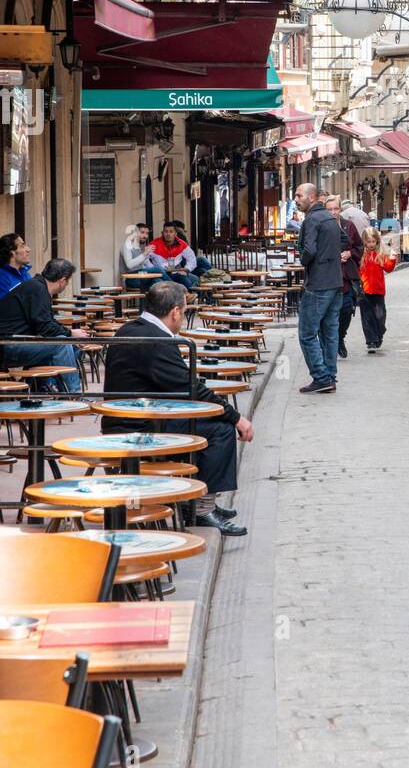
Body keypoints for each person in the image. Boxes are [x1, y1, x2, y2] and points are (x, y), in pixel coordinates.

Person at [102, 280, 252, 536]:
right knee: (220, 430)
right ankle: (201, 510)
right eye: (183, 311)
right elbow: (190, 388)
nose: (183, 317)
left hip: (132, 417)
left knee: (208, 424)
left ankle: (196, 499)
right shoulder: (157, 340)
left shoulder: (132, 328)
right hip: (139, 426)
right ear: (174, 311)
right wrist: (236, 418)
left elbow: (181, 385)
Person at [0, 258, 86, 391]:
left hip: (16, 342)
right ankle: (73, 394)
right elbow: (44, 327)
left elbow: (47, 323)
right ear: (62, 280)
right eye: (68, 281)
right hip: (9, 346)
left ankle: (41, 386)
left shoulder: (37, 287)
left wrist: (71, 335)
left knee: (72, 346)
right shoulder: (38, 289)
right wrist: (70, 333)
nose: (67, 284)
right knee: (62, 344)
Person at [295, 181, 342, 394]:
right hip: (335, 282)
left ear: (311, 197)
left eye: (299, 196)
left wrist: (304, 261)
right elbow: (345, 240)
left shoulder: (312, 219)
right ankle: (330, 376)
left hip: (318, 283)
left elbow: (309, 250)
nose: (296, 200)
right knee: (330, 331)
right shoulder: (330, 219)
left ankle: (321, 377)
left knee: (307, 333)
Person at [326, 196, 362, 360]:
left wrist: (350, 253)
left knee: (346, 310)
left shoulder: (349, 226)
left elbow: (359, 247)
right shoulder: (323, 227)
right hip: (328, 278)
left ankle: (340, 337)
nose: (333, 212)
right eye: (330, 209)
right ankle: (332, 343)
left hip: (346, 277)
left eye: (336, 209)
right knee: (331, 313)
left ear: (340, 209)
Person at [358, 228, 396, 353]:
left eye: (373, 242)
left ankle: (379, 334)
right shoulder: (361, 256)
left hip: (378, 291)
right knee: (367, 317)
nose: (371, 244)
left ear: (377, 242)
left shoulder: (380, 255)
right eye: (368, 242)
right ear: (364, 242)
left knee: (380, 316)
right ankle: (371, 341)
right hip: (364, 291)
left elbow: (388, 268)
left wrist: (392, 258)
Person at [145, 223, 198, 290]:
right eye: (166, 231)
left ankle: (186, 298)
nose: (168, 234)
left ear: (175, 234)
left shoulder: (182, 244)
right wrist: (153, 268)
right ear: (162, 233)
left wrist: (186, 269)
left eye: (171, 231)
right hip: (161, 274)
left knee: (187, 283)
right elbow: (145, 258)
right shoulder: (154, 244)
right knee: (161, 286)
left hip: (176, 272)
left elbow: (192, 259)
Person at [0, 232, 32, 298]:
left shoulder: (26, 274)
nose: (28, 249)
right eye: (22, 246)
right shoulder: (2, 278)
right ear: (12, 253)